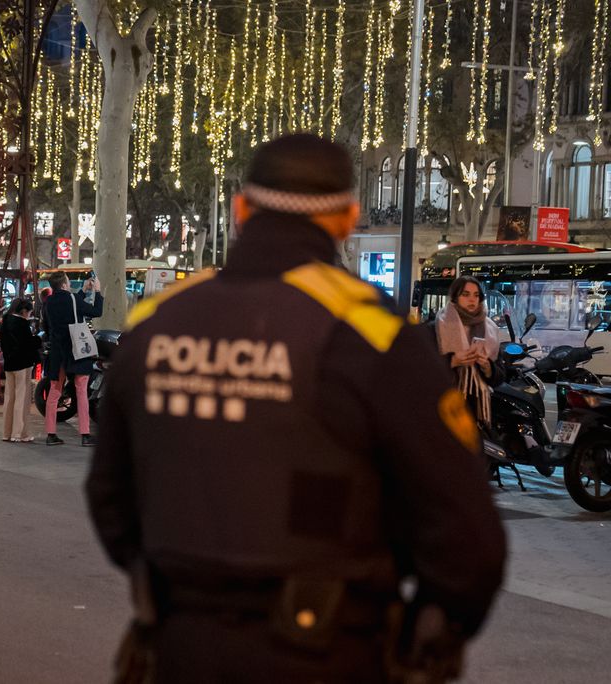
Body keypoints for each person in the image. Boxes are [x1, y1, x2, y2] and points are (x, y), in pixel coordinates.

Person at [85, 134, 506, 683]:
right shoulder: (372, 335)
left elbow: (109, 496)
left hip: (178, 648)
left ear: (241, 211)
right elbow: (468, 533)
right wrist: (432, 630)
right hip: (329, 653)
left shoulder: (158, 323)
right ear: (347, 219)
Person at [429, 276, 502, 424]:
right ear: (455, 297)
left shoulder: (490, 329)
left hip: (477, 412)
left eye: (476, 295)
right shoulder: (436, 327)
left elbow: (500, 375)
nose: (472, 300)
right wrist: (452, 361)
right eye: (466, 294)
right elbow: (422, 368)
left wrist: (488, 368)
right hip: (443, 408)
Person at [41, 272, 103, 446]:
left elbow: (47, 325)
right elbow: (96, 311)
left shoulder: (48, 302)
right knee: (81, 391)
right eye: (68, 282)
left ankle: (51, 434)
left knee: (54, 391)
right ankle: (85, 434)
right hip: (77, 349)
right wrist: (97, 292)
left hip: (57, 352)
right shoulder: (73, 299)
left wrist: (83, 291)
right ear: (63, 285)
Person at [0, 298, 41, 442]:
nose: (29, 315)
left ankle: (7, 432)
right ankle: (20, 433)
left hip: (9, 364)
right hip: (22, 364)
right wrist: (38, 339)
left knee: (9, 398)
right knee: (22, 400)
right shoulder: (22, 324)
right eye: (29, 313)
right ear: (23, 311)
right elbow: (28, 344)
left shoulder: (5, 321)